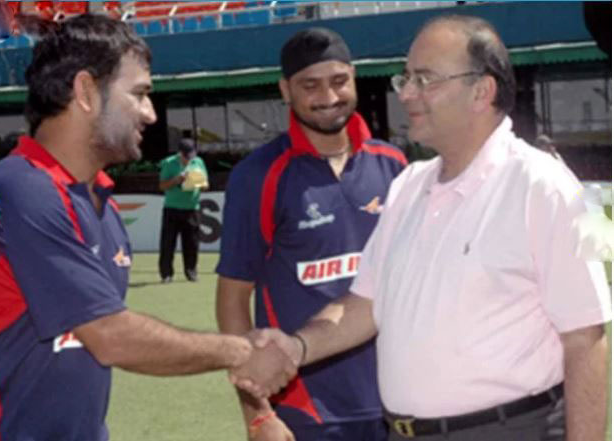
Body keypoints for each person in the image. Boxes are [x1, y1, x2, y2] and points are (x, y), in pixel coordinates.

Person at [238, 14, 612, 441]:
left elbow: (587, 338)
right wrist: (297, 346)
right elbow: (364, 303)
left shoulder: (550, 184)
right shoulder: (408, 184)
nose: (406, 94)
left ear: (482, 91)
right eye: (406, 78)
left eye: (425, 79)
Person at [0, 14, 290, 441]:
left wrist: (260, 414)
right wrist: (241, 350)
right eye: (139, 94)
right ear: (85, 91)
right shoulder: (18, 188)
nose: (151, 114)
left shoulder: (101, 204)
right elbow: (110, 336)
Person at [216, 27, 407, 441]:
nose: (328, 96)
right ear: (286, 90)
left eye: (339, 81)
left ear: (354, 79)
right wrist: (257, 414)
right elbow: (232, 299)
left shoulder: (394, 165)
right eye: (310, 85)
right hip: (305, 410)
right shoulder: (259, 175)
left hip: (400, 403)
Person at [158, 138, 209, 283]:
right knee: (168, 243)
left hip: (192, 208)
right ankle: (166, 274)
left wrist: (199, 183)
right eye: (186, 156)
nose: (189, 159)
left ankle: (191, 271)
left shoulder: (198, 162)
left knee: (192, 243)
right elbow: (162, 185)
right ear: (180, 153)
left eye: (191, 156)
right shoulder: (169, 163)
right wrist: (177, 180)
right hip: (172, 208)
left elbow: (206, 185)